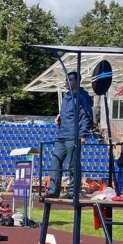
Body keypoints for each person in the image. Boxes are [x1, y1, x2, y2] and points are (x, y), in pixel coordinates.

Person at [46, 71, 94, 199]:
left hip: (74, 135)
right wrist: (59, 119)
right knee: (55, 162)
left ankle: (73, 192)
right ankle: (53, 190)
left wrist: (83, 134)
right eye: (66, 80)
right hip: (61, 135)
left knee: (73, 164)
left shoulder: (83, 97)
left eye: (69, 80)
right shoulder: (67, 96)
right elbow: (68, 115)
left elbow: (86, 117)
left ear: (77, 81)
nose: (66, 82)